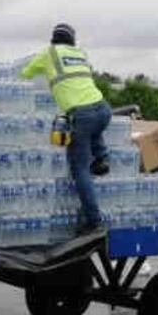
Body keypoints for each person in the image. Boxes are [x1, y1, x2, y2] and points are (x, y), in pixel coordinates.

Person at [20, 22, 112, 233]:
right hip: (103, 109)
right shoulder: (80, 53)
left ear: (53, 39)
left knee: (79, 169)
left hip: (82, 114)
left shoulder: (48, 53)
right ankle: (102, 157)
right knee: (93, 128)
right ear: (72, 40)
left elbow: (25, 74)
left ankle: (94, 221)